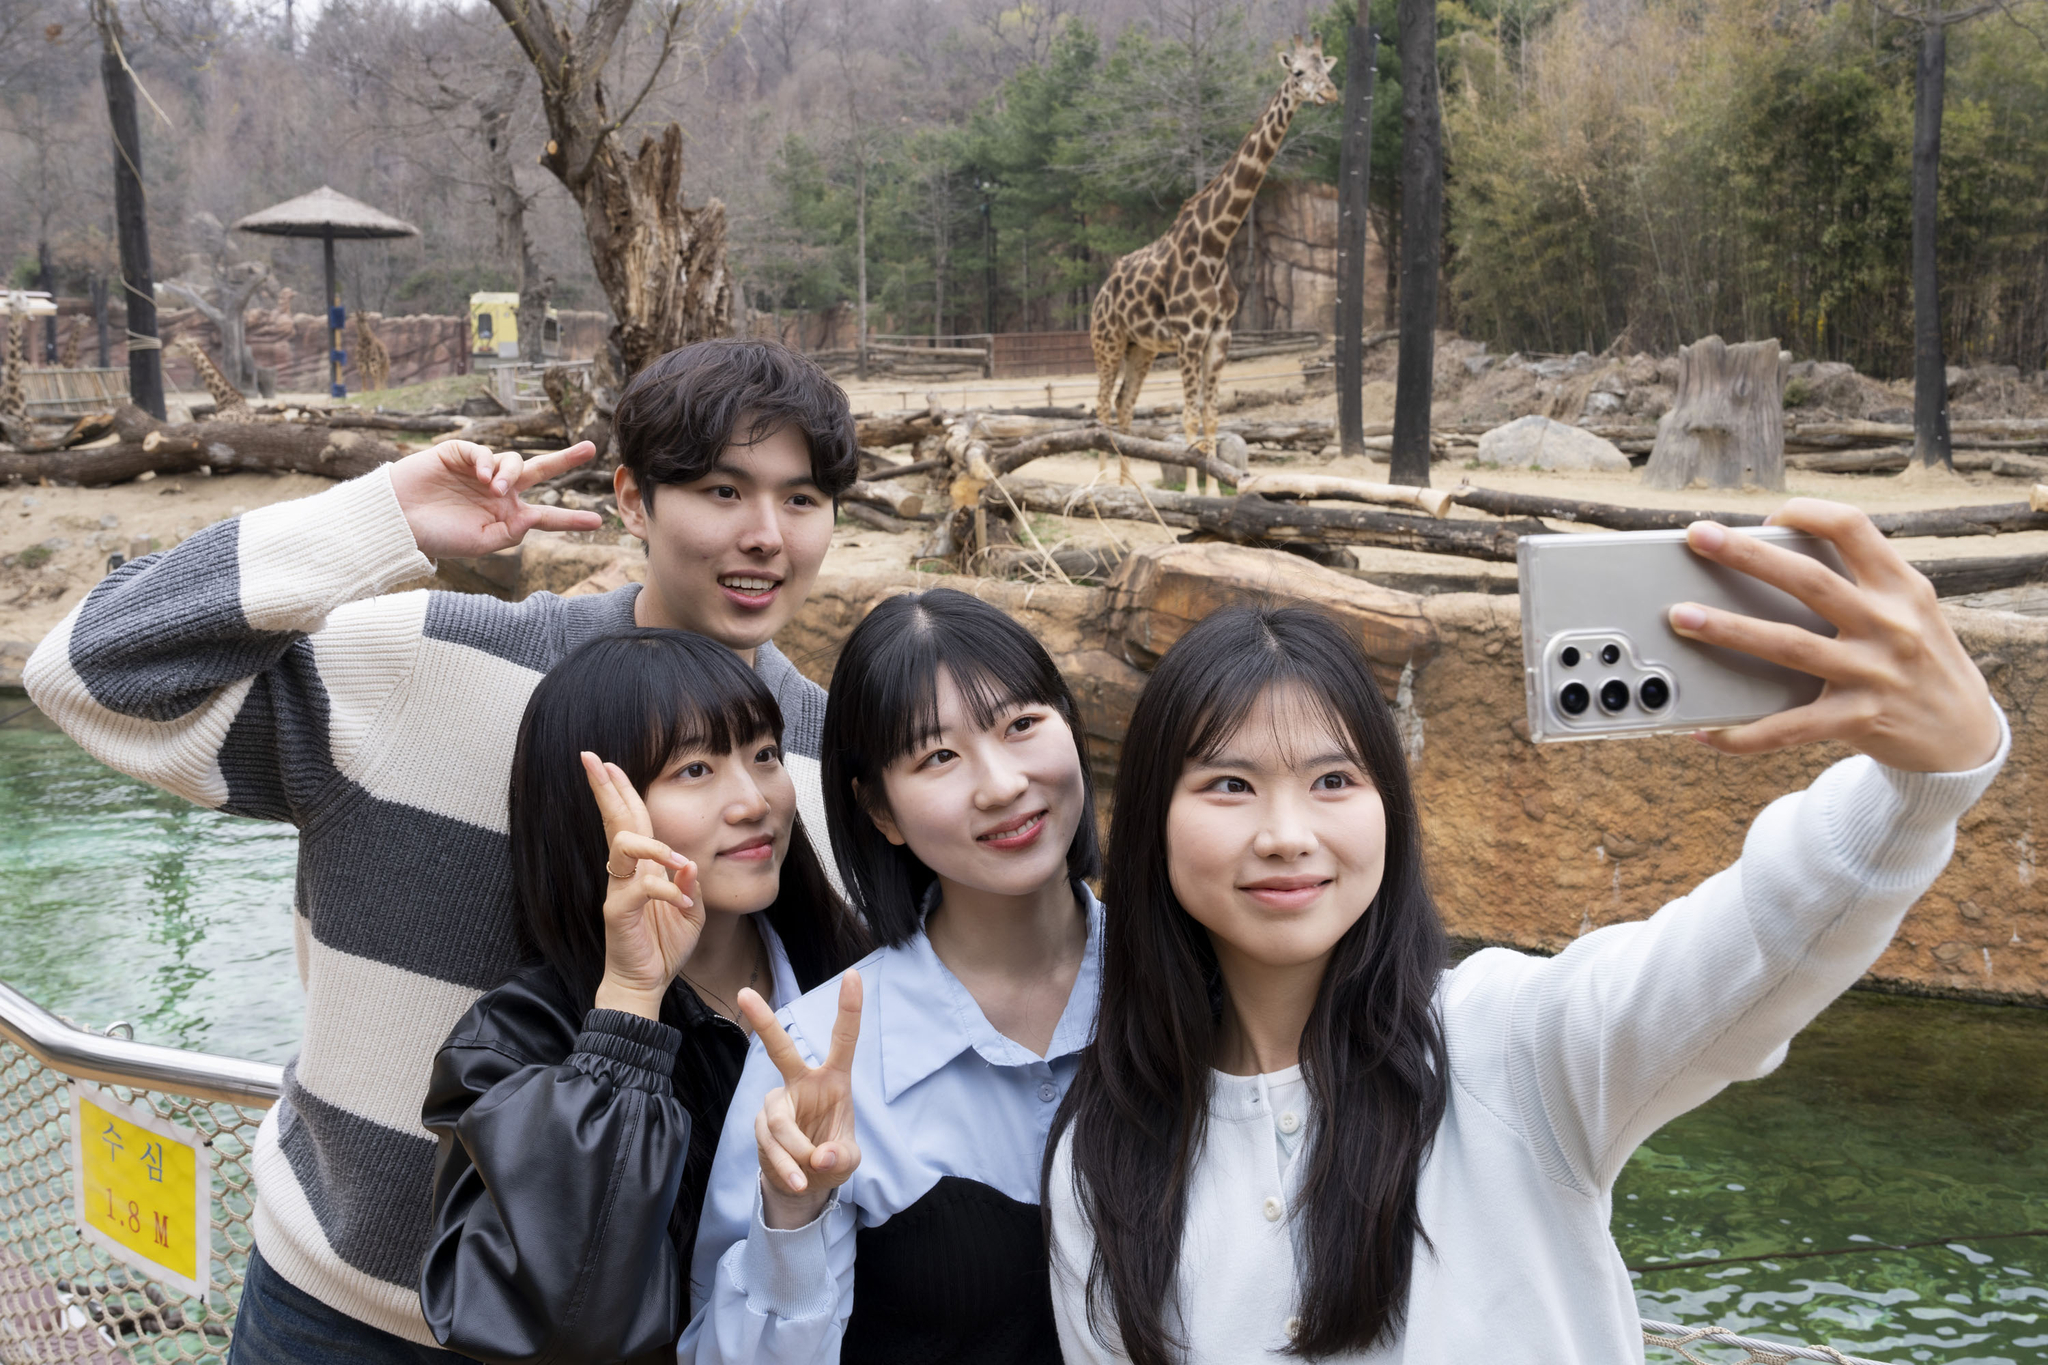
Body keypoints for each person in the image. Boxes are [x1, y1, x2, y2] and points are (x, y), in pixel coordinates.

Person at [21, 339, 857, 1360]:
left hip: (636, 1330)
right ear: (633, 501)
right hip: (339, 1317)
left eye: (802, 499)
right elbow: (83, 675)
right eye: (723, 490)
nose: (765, 535)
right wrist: (374, 521)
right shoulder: (425, 662)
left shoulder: (829, 762)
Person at [1043, 501, 2008, 1365]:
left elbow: (1762, 932)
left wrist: (1926, 779)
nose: (1286, 834)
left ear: (1391, 812)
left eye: (1334, 780)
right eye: (1229, 783)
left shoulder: (1512, 1044)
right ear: (1153, 826)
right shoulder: (1103, 1154)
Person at [417, 629, 867, 1364]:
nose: (754, 800)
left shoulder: (853, 981)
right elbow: (545, 1323)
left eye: (765, 754)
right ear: (593, 814)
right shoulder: (521, 1040)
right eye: (696, 767)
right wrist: (629, 1005)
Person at [684, 588, 1102, 1365]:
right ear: (879, 809)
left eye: (1021, 724)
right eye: (938, 755)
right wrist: (793, 1215)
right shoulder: (812, 1058)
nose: (1002, 783)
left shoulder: (1197, 984)